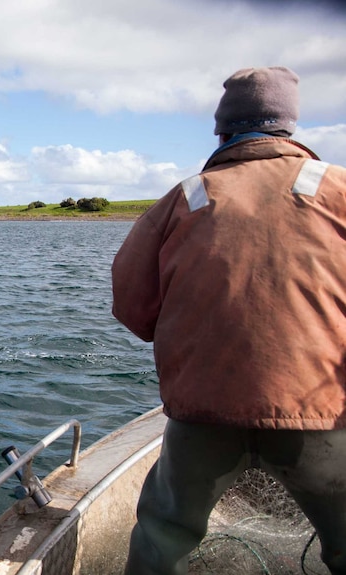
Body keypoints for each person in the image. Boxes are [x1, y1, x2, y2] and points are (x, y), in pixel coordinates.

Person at [112, 66, 346, 575]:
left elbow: (131, 305)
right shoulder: (338, 189)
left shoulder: (186, 196)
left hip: (202, 412)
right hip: (317, 411)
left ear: (222, 130)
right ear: (290, 126)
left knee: (163, 535)